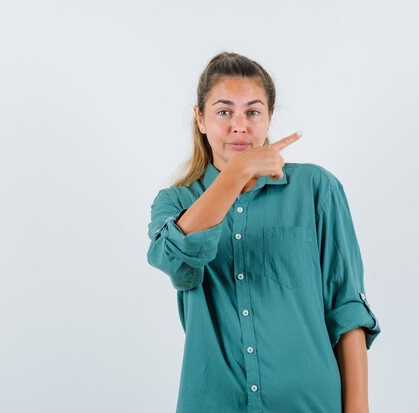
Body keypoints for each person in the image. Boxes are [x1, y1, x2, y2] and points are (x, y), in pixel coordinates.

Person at [146, 51, 381, 413]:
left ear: (269, 116)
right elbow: (176, 262)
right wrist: (236, 174)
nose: (239, 125)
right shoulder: (176, 202)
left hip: (310, 403)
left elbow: (346, 308)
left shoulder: (317, 189)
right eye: (224, 112)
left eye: (252, 112)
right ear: (201, 118)